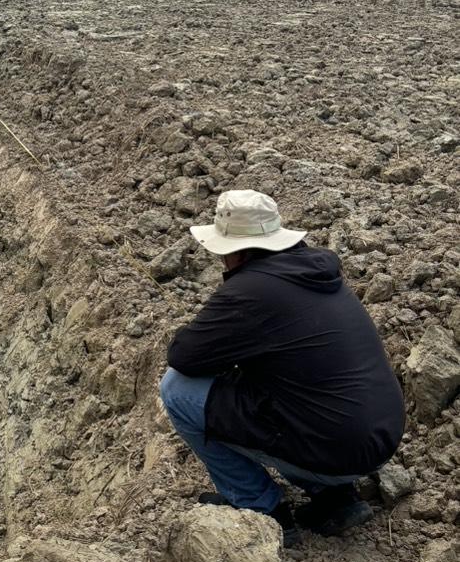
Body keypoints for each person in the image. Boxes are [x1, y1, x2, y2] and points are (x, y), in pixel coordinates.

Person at [159, 189, 405, 542]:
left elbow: (183, 357)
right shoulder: (314, 272)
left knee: (178, 389)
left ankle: (261, 511)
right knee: (294, 390)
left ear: (236, 251)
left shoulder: (250, 291)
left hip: (334, 450)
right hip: (378, 439)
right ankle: (336, 499)